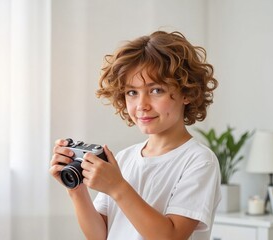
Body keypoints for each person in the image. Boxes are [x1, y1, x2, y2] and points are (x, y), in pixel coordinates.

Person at [49, 30, 221, 240]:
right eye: (132, 92)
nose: (142, 105)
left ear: (187, 92)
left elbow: (172, 236)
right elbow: (99, 235)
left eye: (156, 90)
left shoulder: (199, 161)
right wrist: (76, 190)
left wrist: (117, 187)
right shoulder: (124, 158)